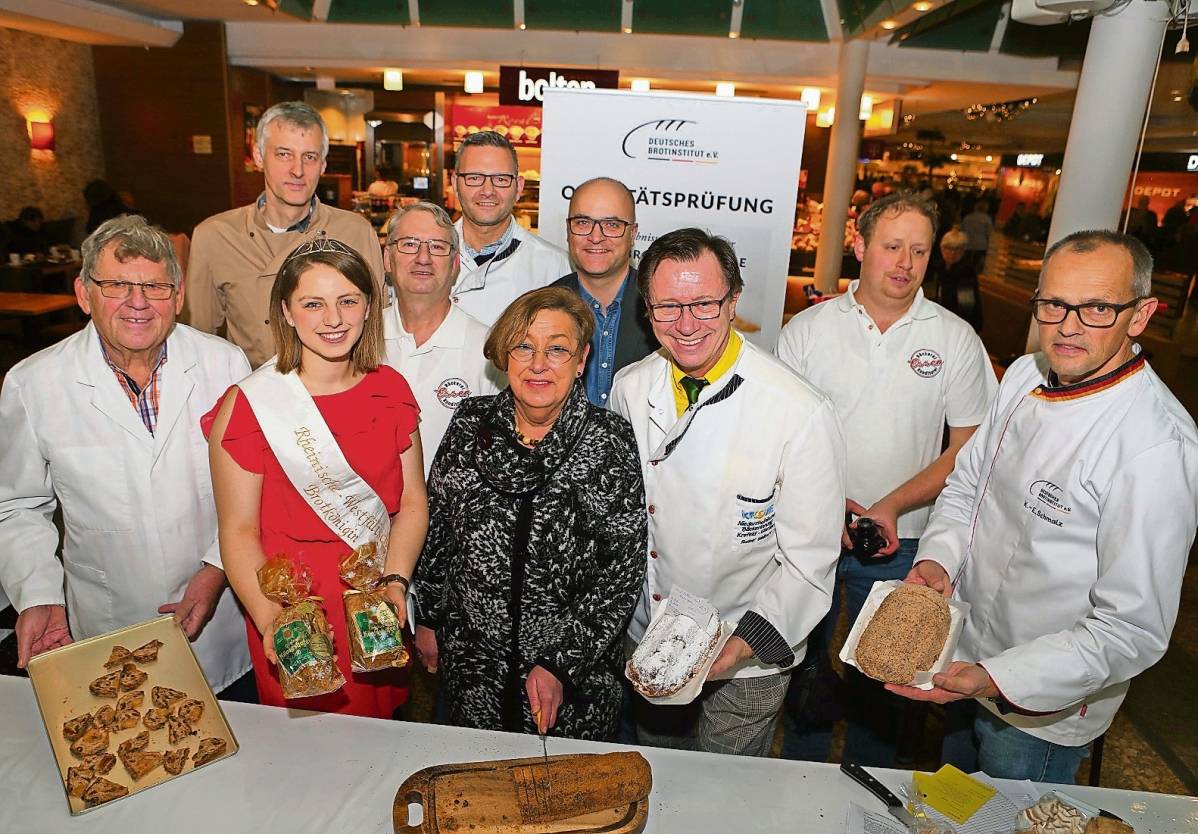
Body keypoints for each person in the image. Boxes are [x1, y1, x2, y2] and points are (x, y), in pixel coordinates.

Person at [889, 230, 1198, 783]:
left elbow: (1131, 627)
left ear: (1141, 315)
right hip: (962, 656)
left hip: (1041, 705)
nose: (1069, 325)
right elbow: (968, 486)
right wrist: (937, 558)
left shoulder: (1156, 444)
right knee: (949, 806)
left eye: (1098, 307)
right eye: (1054, 303)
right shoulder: (1027, 375)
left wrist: (998, 677)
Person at [776, 193, 997, 766]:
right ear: (860, 246)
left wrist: (892, 506)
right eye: (892, 247)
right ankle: (802, 783)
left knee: (890, 674)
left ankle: (874, 791)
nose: (904, 262)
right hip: (814, 531)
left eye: (918, 250)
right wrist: (832, 503)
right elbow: (781, 437)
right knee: (804, 669)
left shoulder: (954, 338)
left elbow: (969, 446)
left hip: (913, 541)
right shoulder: (806, 329)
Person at [610, 228, 846, 757]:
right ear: (646, 310)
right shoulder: (630, 388)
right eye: (668, 306)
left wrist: (741, 647)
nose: (687, 324)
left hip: (750, 644)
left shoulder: (798, 410)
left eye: (704, 304)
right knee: (659, 768)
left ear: (733, 302)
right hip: (655, 639)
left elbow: (811, 562)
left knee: (725, 791)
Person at [0, 215, 254, 698]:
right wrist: (38, 595)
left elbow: (253, 487)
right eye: (117, 284)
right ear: (83, 292)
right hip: (107, 626)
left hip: (219, 625)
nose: (138, 303)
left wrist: (219, 567)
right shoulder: (34, 384)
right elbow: (16, 506)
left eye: (155, 287)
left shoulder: (224, 364)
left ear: (178, 298)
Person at [205, 237, 427, 717]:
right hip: (294, 606)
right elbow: (238, 531)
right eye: (313, 303)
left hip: (372, 601)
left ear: (369, 306)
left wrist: (394, 584)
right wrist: (273, 621)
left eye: (348, 301)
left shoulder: (391, 390)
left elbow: (412, 503)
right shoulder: (248, 406)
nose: (333, 319)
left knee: (382, 747)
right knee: (305, 758)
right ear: (286, 311)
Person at [412, 287, 647, 741]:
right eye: (524, 346)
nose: (539, 363)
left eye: (557, 349)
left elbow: (621, 571)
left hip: (575, 683)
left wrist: (561, 661)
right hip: (472, 670)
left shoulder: (610, 441)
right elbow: (438, 526)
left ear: (581, 361)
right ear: (505, 356)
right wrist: (429, 617)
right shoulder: (469, 424)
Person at [187, 101, 385, 367]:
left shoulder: (355, 232)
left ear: (323, 164)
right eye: (283, 154)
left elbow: (376, 330)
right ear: (259, 157)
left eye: (310, 157)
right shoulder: (215, 237)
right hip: (252, 395)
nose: (298, 170)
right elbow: (199, 343)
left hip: (335, 394)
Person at [382, 201, 503, 475]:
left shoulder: (487, 349)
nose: (423, 257)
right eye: (409, 244)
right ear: (388, 259)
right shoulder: (358, 339)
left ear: (455, 265)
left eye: (437, 246)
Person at [551, 177, 659, 407]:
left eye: (612, 224)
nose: (596, 237)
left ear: (633, 234)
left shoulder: (665, 307)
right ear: (568, 230)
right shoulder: (542, 308)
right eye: (582, 222)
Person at [449, 131, 569, 325]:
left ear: (519, 187)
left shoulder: (554, 266)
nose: (487, 191)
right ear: (455, 183)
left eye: (501, 179)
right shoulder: (428, 255)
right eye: (474, 178)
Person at [930, 228, 984, 333]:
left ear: (964, 251)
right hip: (946, 319)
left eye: (958, 249)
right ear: (941, 248)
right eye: (948, 248)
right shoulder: (941, 266)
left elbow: (966, 307)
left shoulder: (966, 272)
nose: (952, 253)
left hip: (963, 326)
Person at [960, 200, 994, 273]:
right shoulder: (987, 219)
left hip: (967, 244)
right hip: (981, 245)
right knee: (977, 265)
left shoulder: (968, 217)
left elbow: (962, 230)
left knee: (965, 264)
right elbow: (989, 233)